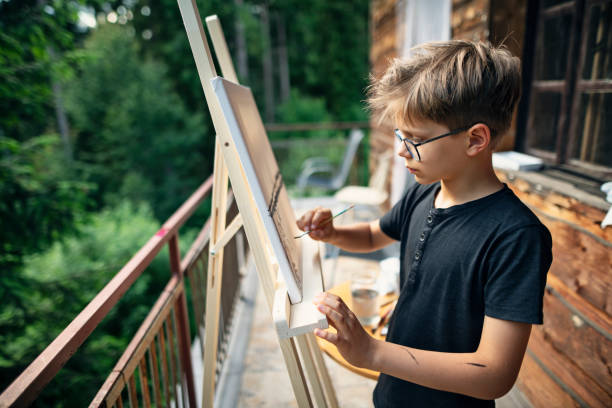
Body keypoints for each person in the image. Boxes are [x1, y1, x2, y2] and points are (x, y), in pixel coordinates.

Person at [296, 40, 552, 407]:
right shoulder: (425, 192)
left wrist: (373, 353)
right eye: (402, 136)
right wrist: (333, 233)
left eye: (414, 140)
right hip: (394, 392)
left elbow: (494, 373)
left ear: (475, 139)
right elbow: (373, 235)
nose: (402, 151)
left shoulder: (515, 237)